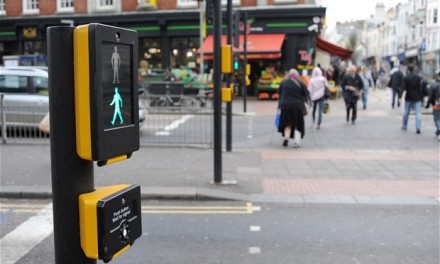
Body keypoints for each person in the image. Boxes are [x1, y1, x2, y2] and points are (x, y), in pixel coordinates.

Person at [277, 69, 310, 148]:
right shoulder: (301, 82)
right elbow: (306, 94)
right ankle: (296, 142)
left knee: (288, 123)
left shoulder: (283, 82)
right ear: (297, 75)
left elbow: (279, 93)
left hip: (285, 106)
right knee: (298, 124)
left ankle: (286, 138)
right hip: (297, 106)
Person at [399, 64, 423, 134]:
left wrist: (400, 96)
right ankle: (418, 127)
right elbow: (420, 88)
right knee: (418, 113)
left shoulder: (406, 77)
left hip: (408, 97)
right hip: (417, 97)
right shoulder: (418, 77)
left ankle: (404, 125)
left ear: (408, 69)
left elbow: (402, 87)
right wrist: (422, 97)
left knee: (406, 112)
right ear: (414, 69)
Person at [425, 69, 440, 140]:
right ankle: (438, 132)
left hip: (437, 105)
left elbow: (430, 97)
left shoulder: (434, 85)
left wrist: (427, 105)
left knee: (437, 119)